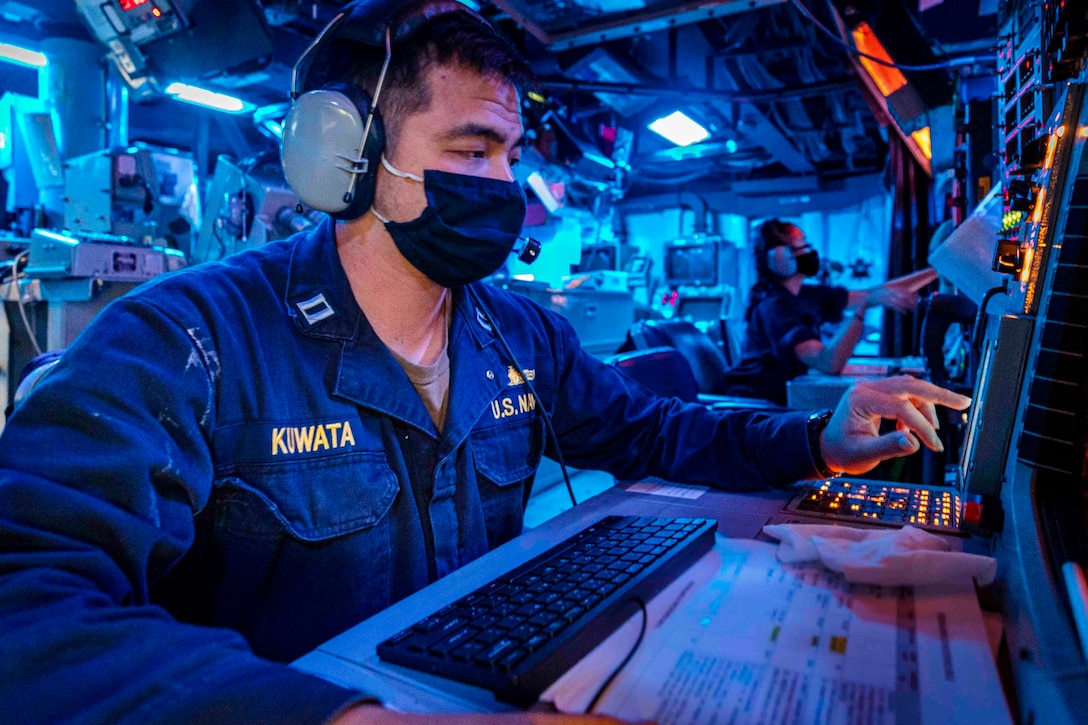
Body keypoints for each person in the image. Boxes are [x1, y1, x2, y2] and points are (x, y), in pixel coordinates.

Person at [0, 3, 968, 723]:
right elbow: (27, 599)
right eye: (471, 149)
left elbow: (651, 429)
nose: (504, 186)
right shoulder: (188, 339)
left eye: (509, 152)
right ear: (343, 155)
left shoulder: (517, 330)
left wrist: (814, 435)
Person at [723, 218, 939, 405]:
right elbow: (829, 363)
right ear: (781, 258)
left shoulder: (806, 295)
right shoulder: (773, 309)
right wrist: (862, 310)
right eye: (802, 247)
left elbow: (877, 292)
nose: (810, 252)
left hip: (788, 398)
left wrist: (938, 270)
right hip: (761, 409)